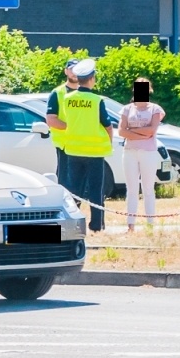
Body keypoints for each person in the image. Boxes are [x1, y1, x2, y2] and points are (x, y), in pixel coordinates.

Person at [47, 58, 111, 233]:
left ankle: (71, 224)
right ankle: (96, 225)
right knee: (93, 189)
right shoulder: (95, 99)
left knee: (73, 189)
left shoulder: (67, 98)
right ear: (92, 79)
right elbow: (107, 125)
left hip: (73, 148)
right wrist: (108, 142)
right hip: (87, 150)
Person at [117, 77, 166, 231]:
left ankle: (150, 224)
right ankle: (130, 225)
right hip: (130, 152)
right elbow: (121, 131)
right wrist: (140, 134)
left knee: (148, 188)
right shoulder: (127, 109)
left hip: (148, 152)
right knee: (131, 189)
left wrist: (131, 132)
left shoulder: (155, 109)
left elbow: (151, 130)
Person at [44, 58, 82, 188]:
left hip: (84, 144)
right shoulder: (57, 93)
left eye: (77, 70)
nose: (74, 73)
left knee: (80, 182)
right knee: (66, 181)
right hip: (65, 145)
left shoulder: (85, 93)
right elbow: (51, 119)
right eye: (71, 69)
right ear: (66, 71)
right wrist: (72, 128)